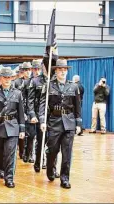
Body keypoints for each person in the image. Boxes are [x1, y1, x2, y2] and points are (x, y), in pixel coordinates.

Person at [39, 59, 82, 189]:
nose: (63, 72)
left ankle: (65, 178)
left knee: (67, 152)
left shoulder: (73, 86)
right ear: (55, 71)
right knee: (52, 150)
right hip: (54, 121)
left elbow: (77, 106)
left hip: (69, 122)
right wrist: (42, 120)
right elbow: (42, 104)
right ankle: (50, 170)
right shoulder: (49, 85)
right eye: (60, 70)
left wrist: (78, 123)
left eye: (65, 70)